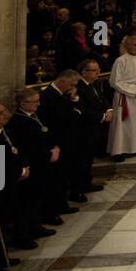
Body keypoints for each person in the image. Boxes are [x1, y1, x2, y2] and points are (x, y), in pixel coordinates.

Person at [5, 88, 63, 234]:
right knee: (31, 197)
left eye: (38, 100)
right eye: (34, 101)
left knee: (43, 193)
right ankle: (33, 227)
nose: (38, 104)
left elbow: (49, 132)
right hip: (35, 163)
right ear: (23, 103)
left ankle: (44, 218)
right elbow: (27, 146)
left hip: (47, 160)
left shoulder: (36, 115)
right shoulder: (17, 121)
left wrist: (55, 147)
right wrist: (48, 153)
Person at [0, 100, 33, 252]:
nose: (6, 115)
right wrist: (20, 172)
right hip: (3, 183)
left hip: (15, 179)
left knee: (18, 210)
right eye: (1, 113)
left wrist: (24, 165)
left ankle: (21, 237)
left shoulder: (4, 130)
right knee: (0, 221)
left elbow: (16, 149)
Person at [38, 70, 83, 215]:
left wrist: (74, 99)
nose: (72, 88)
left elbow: (71, 109)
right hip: (58, 140)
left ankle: (62, 204)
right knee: (57, 177)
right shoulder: (48, 95)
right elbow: (62, 118)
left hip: (67, 139)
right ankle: (54, 208)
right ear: (62, 81)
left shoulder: (62, 93)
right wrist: (75, 113)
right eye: (71, 84)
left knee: (65, 175)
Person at [109, 35, 136, 159]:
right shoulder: (120, 60)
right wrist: (134, 89)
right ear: (127, 45)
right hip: (126, 96)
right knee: (123, 125)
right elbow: (115, 82)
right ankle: (120, 150)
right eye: (134, 44)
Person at [73, 59, 112, 196]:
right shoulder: (79, 88)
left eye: (98, 69)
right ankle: (78, 188)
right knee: (82, 159)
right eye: (95, 70)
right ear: (84, 72)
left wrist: (109, 109)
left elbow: (101, 98)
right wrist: (102, 116)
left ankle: (86, 182)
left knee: (89, 158)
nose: (98, 73)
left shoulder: (91, 84)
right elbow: (83, 109)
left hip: (94, 127)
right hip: (84, 129)